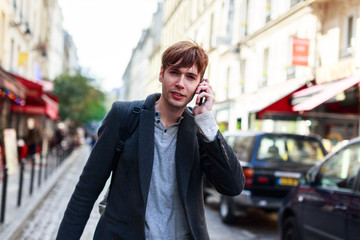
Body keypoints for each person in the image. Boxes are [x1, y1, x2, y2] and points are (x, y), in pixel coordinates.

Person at [56, 41, 244, 240]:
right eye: (174, 72)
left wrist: (206, 121)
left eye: (190, 77)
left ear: (200, 85)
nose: (181, 83)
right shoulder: (124, 117)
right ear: (162, 74)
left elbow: (232, 186)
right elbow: (86, 190)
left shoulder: (200, 131)